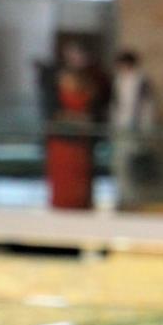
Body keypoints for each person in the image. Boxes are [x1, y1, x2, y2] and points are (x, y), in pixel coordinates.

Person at [45, 41, 100, 210]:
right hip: (63, 139)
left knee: (79, 180)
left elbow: (94, 110)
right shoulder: (55, 82)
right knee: (64, 179)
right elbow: (54, 111)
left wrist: (83, 120)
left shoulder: (91, 81)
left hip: (81, 141)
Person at [109, 51, 157, 209]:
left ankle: (135, 199)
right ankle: (123, 197)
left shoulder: (142, 82)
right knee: (120, 164)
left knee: (133, 165)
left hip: (136, 129)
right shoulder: (118, 80)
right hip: (120, 127)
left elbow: (147, 108)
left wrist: (145, 130)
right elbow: (116, 105)